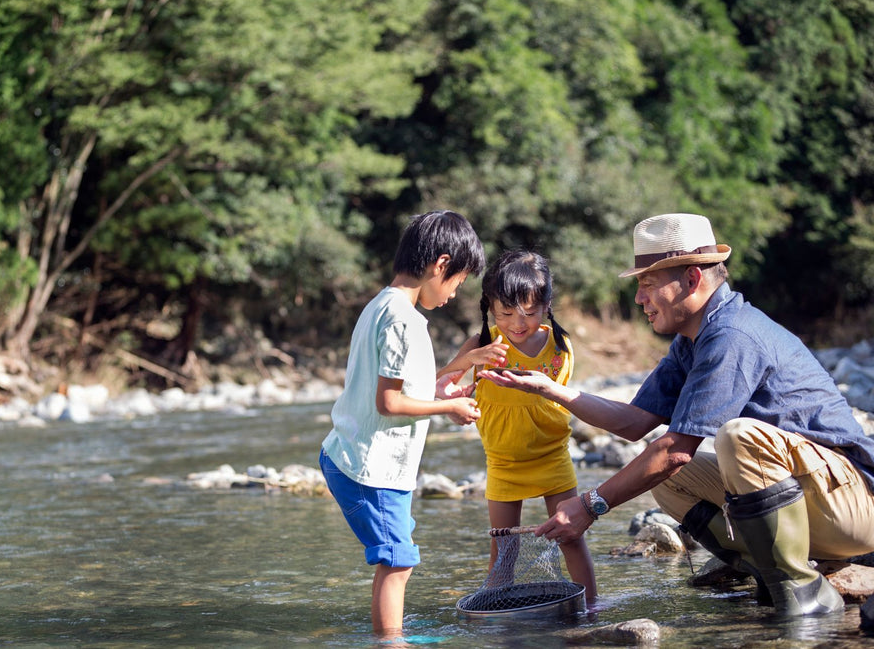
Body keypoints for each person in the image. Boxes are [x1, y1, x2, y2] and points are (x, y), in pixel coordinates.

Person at [477, 213, 874, 617]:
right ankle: (768, 571)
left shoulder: (732, 334)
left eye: (647, 285)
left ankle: (802, 592)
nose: (638, 299)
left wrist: (591, 504)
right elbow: (634, 423)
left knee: (737, 438)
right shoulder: (691, 339)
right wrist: (550, 389)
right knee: (668, 481)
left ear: (692, 280)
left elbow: (677, 449)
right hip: (815, 503)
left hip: (853, 506)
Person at [319, 210, 486, 640]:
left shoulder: (382, 305)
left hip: (359, 456)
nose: (453, 295)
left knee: (398, 556)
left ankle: (389, 634)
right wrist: (446, 410)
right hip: (369, 467)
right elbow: (390, 401)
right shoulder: (403, 320)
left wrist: (449, 383)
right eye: (457, 283)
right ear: (440, 265)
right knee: (398, 560)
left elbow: (402, 388)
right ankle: (391, 641)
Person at [438, 249, 597, 603]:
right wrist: (461, 382)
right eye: (506, 313)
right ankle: (499, 618)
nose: (517, 323)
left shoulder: (559, 346)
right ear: (490, 308)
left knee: (571, 537)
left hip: (552, 457)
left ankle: (591, 608)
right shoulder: (483, 343)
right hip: (502, 462)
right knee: (503, 549)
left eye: (529, 312)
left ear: (546, 305)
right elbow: (438, 386)